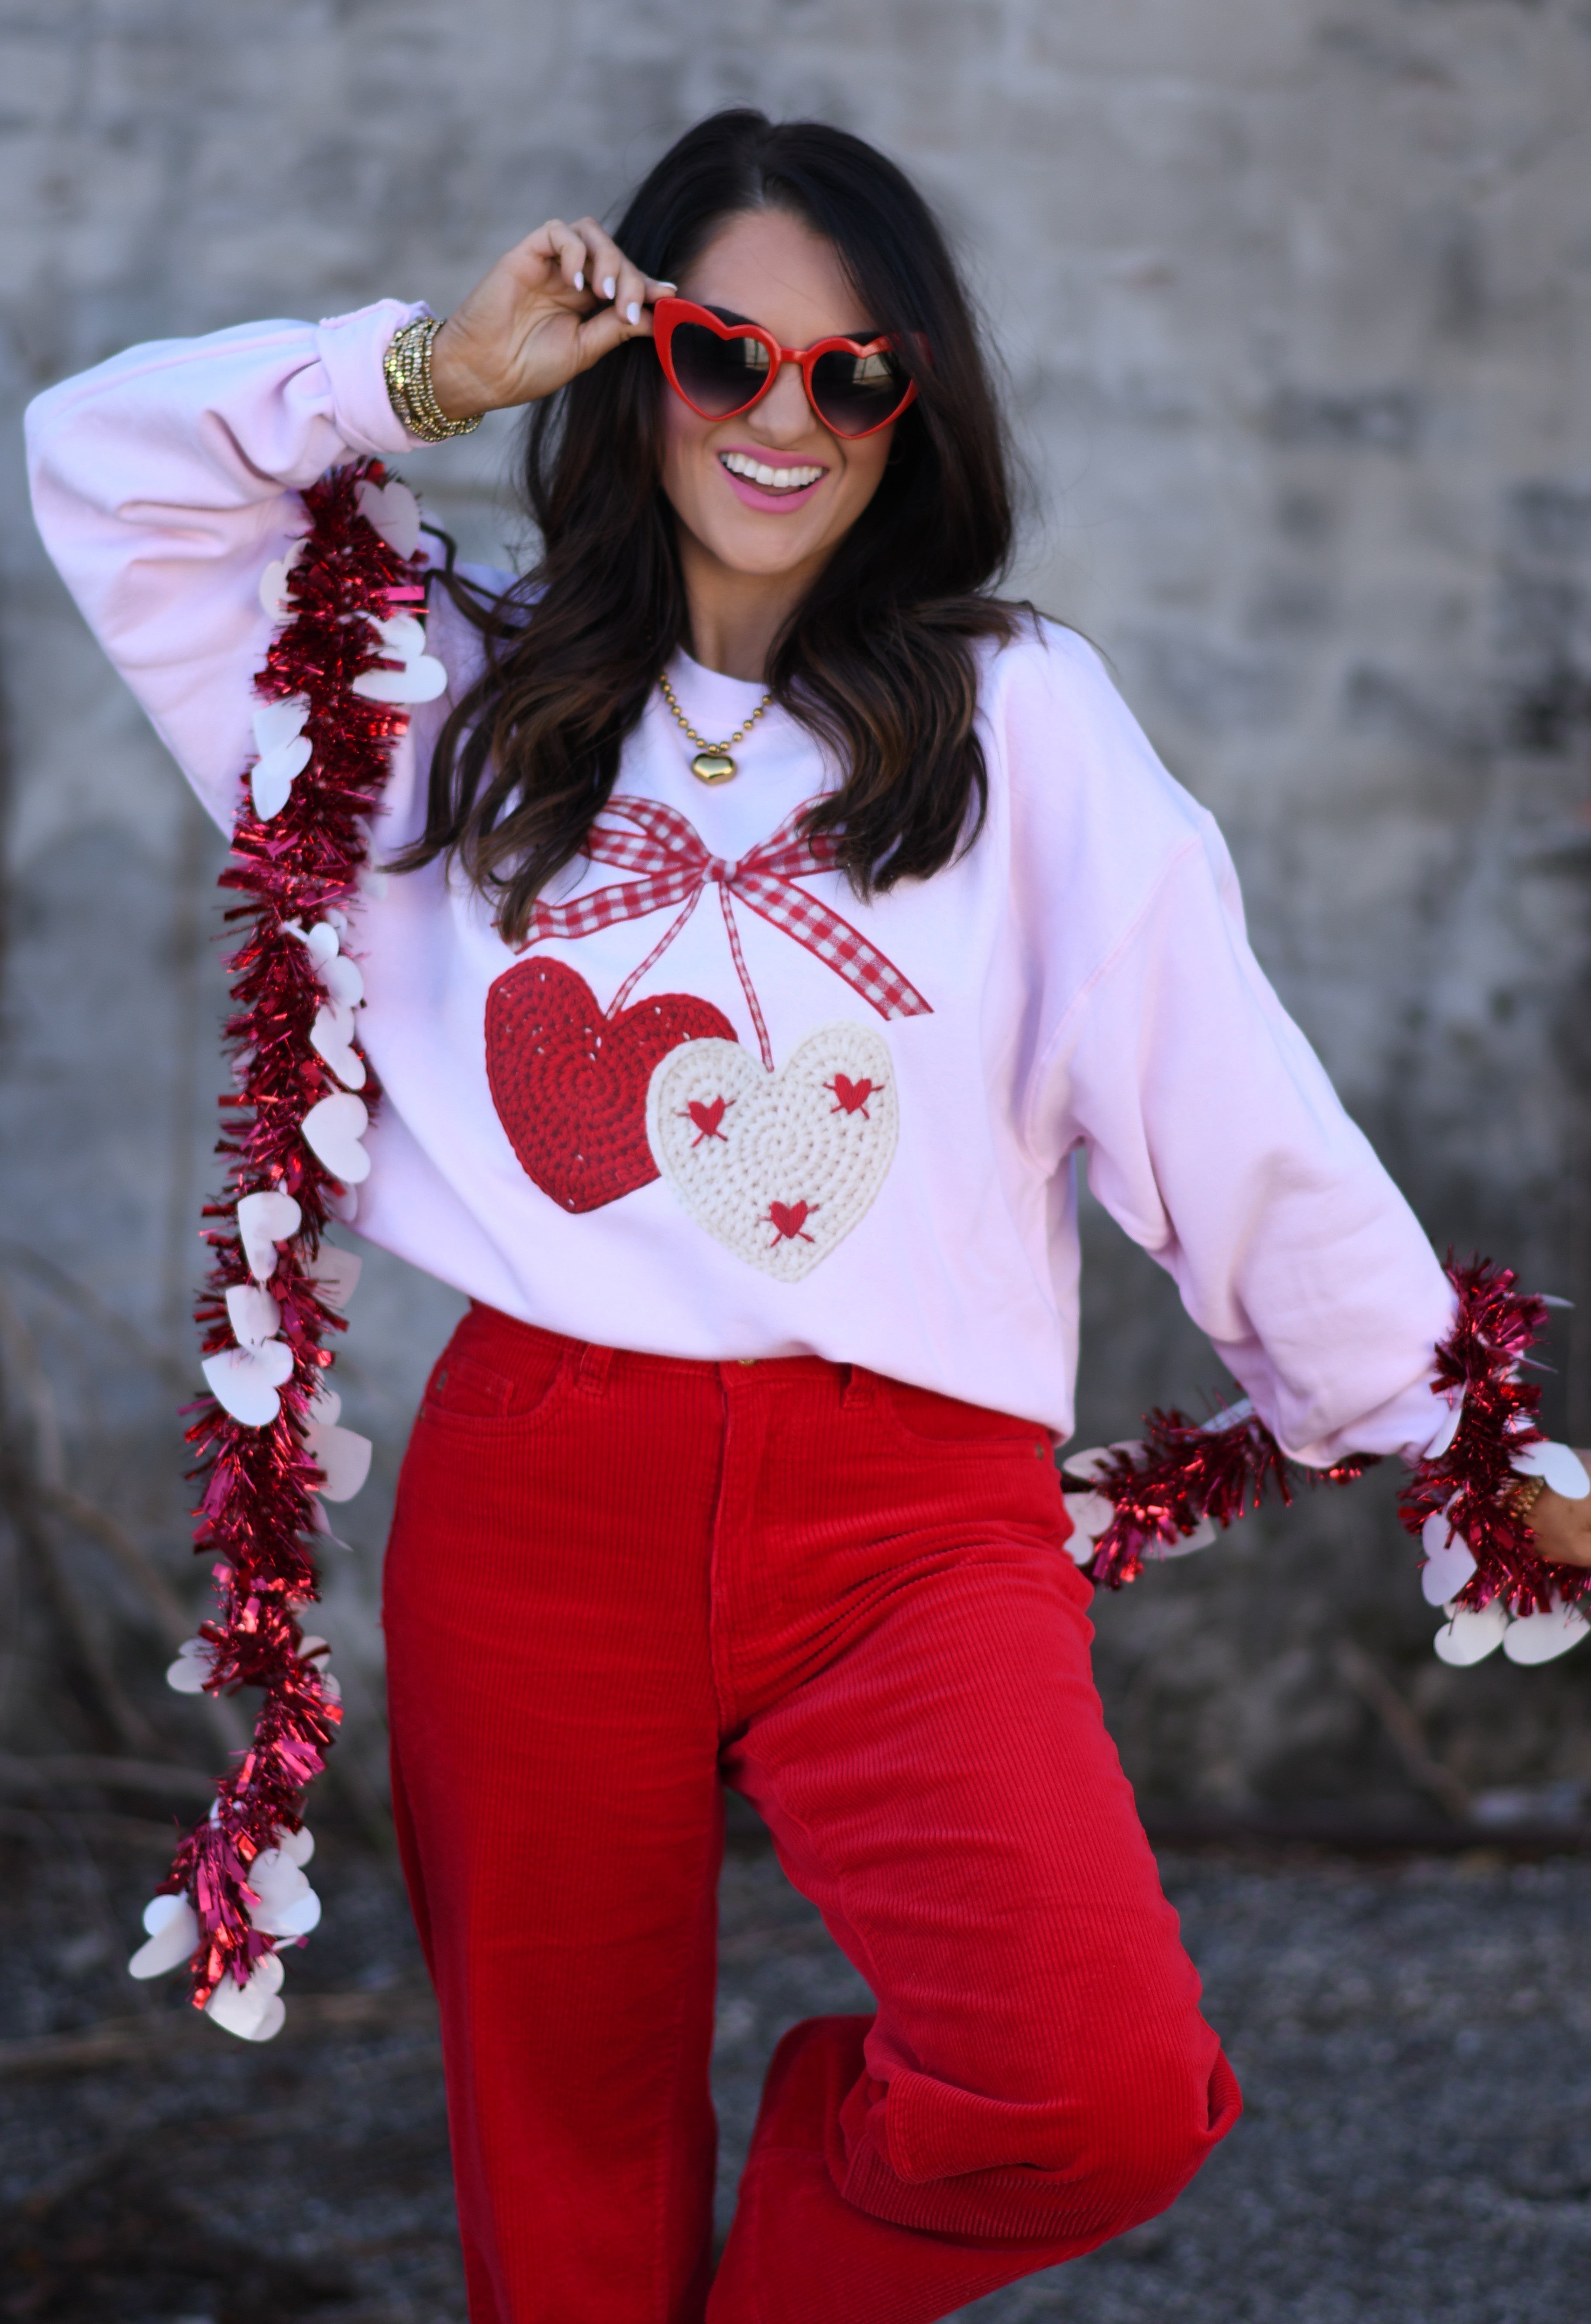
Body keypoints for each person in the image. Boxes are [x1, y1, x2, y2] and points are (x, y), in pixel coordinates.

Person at [26, 107, 1591, 2324]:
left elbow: (1227, 1095)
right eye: (720, 355)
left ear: (910, 404)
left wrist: (1455, 1436)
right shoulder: (432, 694)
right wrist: (430, 382)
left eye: (851, 373)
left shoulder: (1016, 723)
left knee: (1097, 2079)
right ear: (633, 359)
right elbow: (105, 463)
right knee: (562, 2201)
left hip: (906, 1514)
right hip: (540, 1487)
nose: (785, 416)